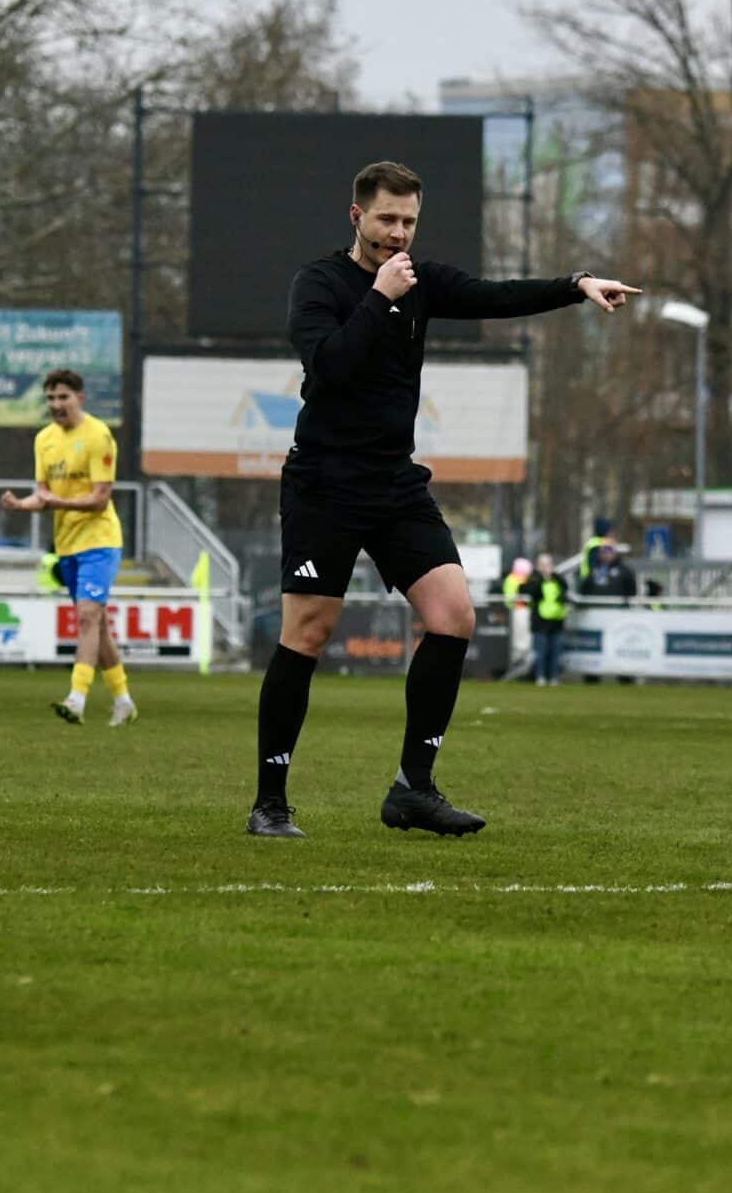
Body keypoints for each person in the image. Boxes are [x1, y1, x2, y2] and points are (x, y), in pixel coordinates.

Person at [249, 159, 638, 838]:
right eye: (386, 219)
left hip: (394, 482)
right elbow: (329, 365)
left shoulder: (422, 282)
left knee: (454, 614)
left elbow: (498, 295)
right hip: (325, 483)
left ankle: (412, 788)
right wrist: (379, 297)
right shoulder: (319, 283)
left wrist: (577, 285)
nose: (398, 234)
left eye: (408, 222)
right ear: (356, 217)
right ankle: (271, 802)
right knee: (307, 632)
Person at [1, 369, 137, 728]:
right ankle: (123, 701)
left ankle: (76, 698)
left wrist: (53, 500)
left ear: (80, 398)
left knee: (88, 617)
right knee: (98, 626)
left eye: (63, 397)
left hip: (100, 541)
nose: (56, 405)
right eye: (50, 398)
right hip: (67, 544)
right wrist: (21, 505)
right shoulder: (44, 440)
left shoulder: (98, 436)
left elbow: (99, 499)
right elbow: (43, 496)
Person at [521, 553, 568, 685]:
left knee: (555, 651)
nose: (546, 567)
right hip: (540, 621)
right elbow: (530, 591)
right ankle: (540, 675)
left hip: (556, 620)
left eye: (548, 564)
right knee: (540, 651)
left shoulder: (558, 579)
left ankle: (554, 676)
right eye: (543, 564)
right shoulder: (534, 579)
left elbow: (565, 590)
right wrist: (542, 578)